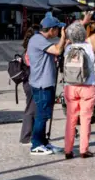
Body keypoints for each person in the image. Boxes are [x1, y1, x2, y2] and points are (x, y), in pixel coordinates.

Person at [62, 12, 95, 160]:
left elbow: (72, 32)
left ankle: (68, 149)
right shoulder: (90, 46)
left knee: (71, 118)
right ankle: (84, 149)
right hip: (87, 86)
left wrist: (83, 21)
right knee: (85, 119)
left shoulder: (67, 48)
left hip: (70, 86)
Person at [27, 13, 67, 156]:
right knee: (42, 115)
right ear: (51, 29)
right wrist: (63, 38)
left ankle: (44, 142)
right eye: (58, 29)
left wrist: (65, 41)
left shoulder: (40, 40)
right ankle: (36, 144)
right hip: (41, 84)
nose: (58, 32)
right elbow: (57, 50)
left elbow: (57, 49)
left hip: (44, 83)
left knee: (44, 114)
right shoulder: (38, 40)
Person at [17, 27, 37, 145]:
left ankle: (31, 134)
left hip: (28, 82)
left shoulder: (27, 49)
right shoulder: (30, 51)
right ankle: (26, 136)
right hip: (31, 82)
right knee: (30, 109)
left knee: (31, 108)